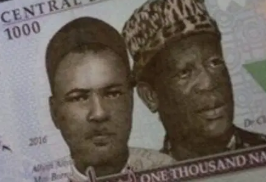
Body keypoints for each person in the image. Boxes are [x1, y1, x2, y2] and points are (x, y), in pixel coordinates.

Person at [121, 0, 266, 162]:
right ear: (150, 96)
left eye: (215, 63)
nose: (208, 83)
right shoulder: (151, 171)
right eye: (185, 73)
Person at [45, 17, 174, 181]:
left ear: (131, 100)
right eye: (79, 98)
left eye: (112, 94)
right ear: (55, 113)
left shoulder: (170, 169)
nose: (99, 113)